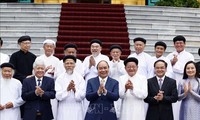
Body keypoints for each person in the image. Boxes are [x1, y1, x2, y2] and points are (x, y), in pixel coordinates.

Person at [166, 35, 194, 120]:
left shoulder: (189, 56)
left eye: (181, 43)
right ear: (174, 44)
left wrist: (175, 64)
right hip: (171, 82)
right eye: (177, 43)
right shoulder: (170, 55)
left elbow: (187, 70)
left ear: (184, 44)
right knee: (172, 104)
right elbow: (165, 69)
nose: (179, 45)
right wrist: (171, 62)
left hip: (183, 82)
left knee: (181, 102)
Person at [55, 55, 85, 120]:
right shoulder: (59, 78)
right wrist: (67, 89)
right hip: (63, 106)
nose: (69, 65)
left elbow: (82, 95)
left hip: (76, 106)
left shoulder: (80, 78)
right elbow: (58, 96)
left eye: (71, 63)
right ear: (64, 65)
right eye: (67, 63)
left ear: (75, 65)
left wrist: (75, 89)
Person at [109, 44, 126, 119]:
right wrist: (113, 65)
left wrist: (118, 64)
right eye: (113, 52)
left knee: (120, 104)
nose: (115, 54)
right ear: (110, 53)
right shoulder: (108, 63)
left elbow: (124, 73)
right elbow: (108, 74)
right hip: (111, 86)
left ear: (120, 53)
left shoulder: (124, 63)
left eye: (117, 52)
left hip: (121, 85)